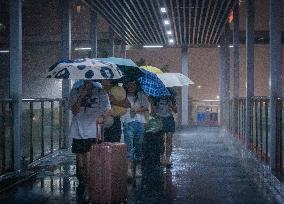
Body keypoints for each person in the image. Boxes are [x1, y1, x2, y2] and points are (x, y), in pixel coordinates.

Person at [69, 80, 111, 200]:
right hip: (78, 130)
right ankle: (83, 182)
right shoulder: (75, 91)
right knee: (81, 163)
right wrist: (82, 94)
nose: (88, 82)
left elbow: (107, 109)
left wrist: (103, 117)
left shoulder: (101, 92)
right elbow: (74, 110)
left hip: (93, 130)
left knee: (89, 161)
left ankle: (89, 186)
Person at [122, 80, 149, 178]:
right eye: (129, 84)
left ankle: (138, 168)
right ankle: (128, 169)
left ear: (136, 85)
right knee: (129, 146)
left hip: (140, 123)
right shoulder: (123, 95)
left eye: (133, 84)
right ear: (126, 85)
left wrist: (137, 110)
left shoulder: (141, 95)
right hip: (128, 122)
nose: (131, 86)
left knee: (139, 146)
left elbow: (146, 107)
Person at [152, 91, 177, 168]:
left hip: (169, 119)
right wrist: (152, 104)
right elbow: (153, 113)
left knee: (169, 139)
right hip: (159, 120)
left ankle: (168, 158)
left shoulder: (171, 99)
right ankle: (162, 157)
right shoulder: (156, 98)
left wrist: (171, 105)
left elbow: (175, 111)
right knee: (161, 140)